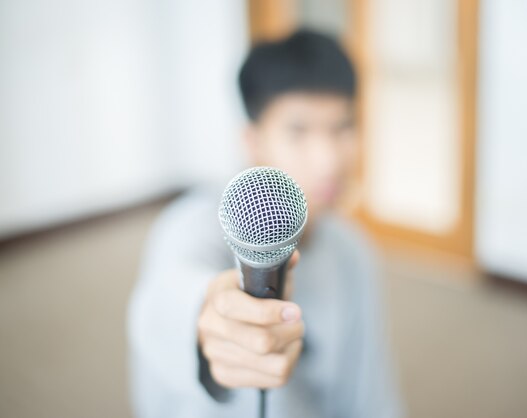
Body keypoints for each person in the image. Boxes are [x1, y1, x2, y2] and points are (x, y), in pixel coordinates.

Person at [127, 29, 404, 418]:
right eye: (298, 131)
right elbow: (161, 304)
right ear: (253, 140)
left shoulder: (352, 251)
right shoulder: (189, 227)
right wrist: (206, 322)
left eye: (342, 127)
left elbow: (368, 393)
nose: (328, 159)